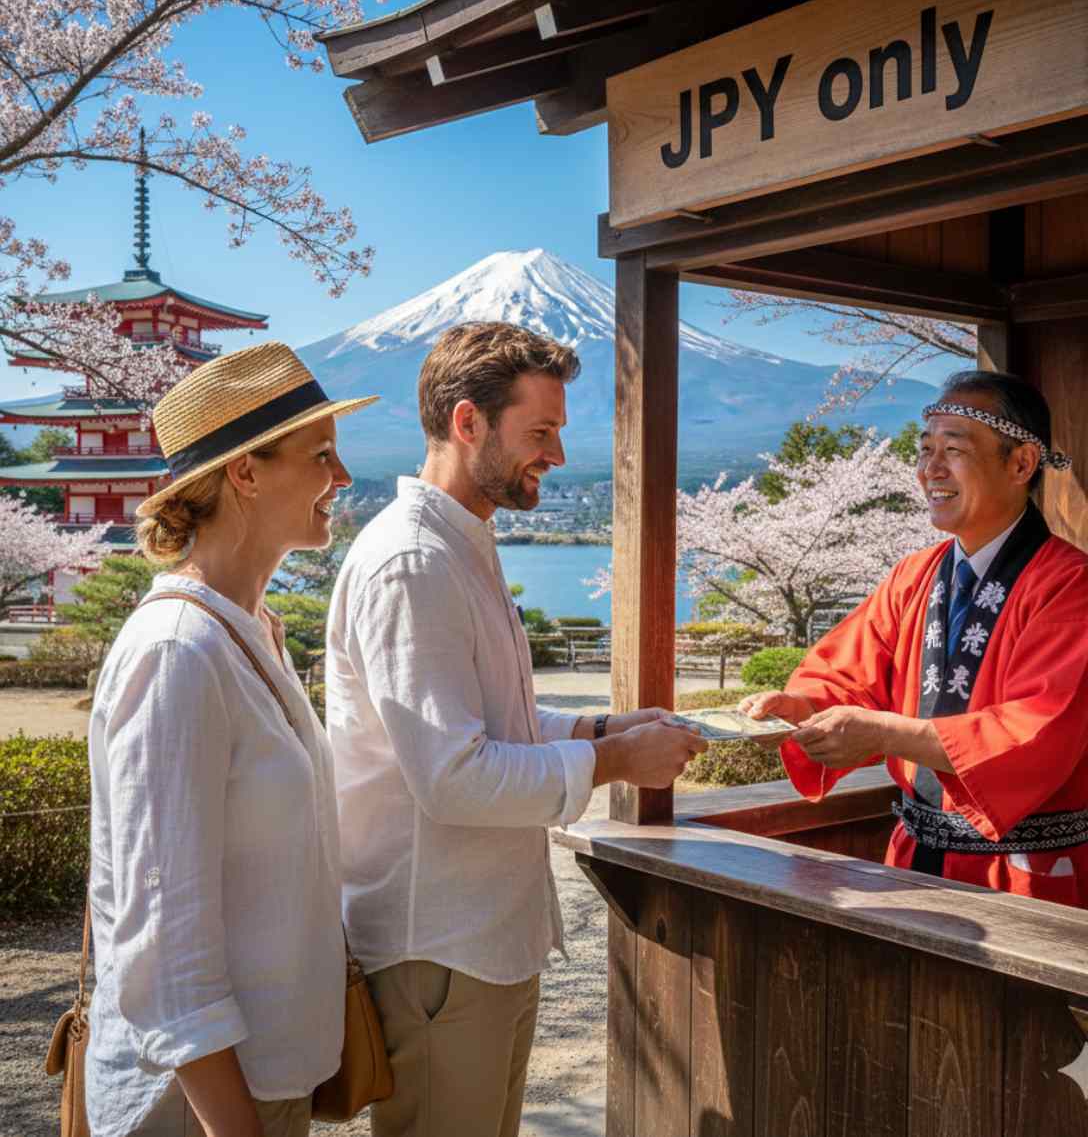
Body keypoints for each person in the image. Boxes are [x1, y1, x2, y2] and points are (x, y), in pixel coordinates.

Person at [326, 321, 706, 1137]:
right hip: (438, 947)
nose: (557, 455)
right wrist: (615, 758)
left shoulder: (457, 543)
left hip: (473, 940)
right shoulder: (415, 563)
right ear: (468, 422)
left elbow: (496, 721)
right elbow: (454, 777)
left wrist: (603, 725)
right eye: (540, 432)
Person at [86, 342, 374, 1137]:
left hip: (256, 1080)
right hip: (199, 1103)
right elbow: (161, 935)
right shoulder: (178, 652)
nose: (344, 478)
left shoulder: (248, 632)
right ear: (245, 472)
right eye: (322, 455)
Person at [741, 369, 1088, 907]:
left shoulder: (1070, 585)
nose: (931, 470)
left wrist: (885, 734)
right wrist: (800, 709)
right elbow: (849, 675)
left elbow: (1035, 731)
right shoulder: (913, 575)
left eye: (954, 450)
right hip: (911, 860)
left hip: (1025, 873)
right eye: (925, 450)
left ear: (1021, 464)